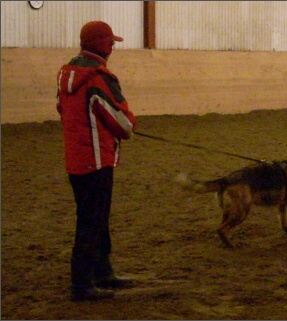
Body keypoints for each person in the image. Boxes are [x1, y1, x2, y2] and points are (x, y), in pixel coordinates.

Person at [56, 21, 137, 301]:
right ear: (101, 44)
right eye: (110, 42)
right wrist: (127, 126)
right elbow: (123, 124)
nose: (113, 46)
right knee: (93, 221)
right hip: (97, 159)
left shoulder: (66, 74)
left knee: (93, 218)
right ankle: (82, 284)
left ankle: (103, 272)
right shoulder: (99, 77)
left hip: (76, 159)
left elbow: (64, 110)